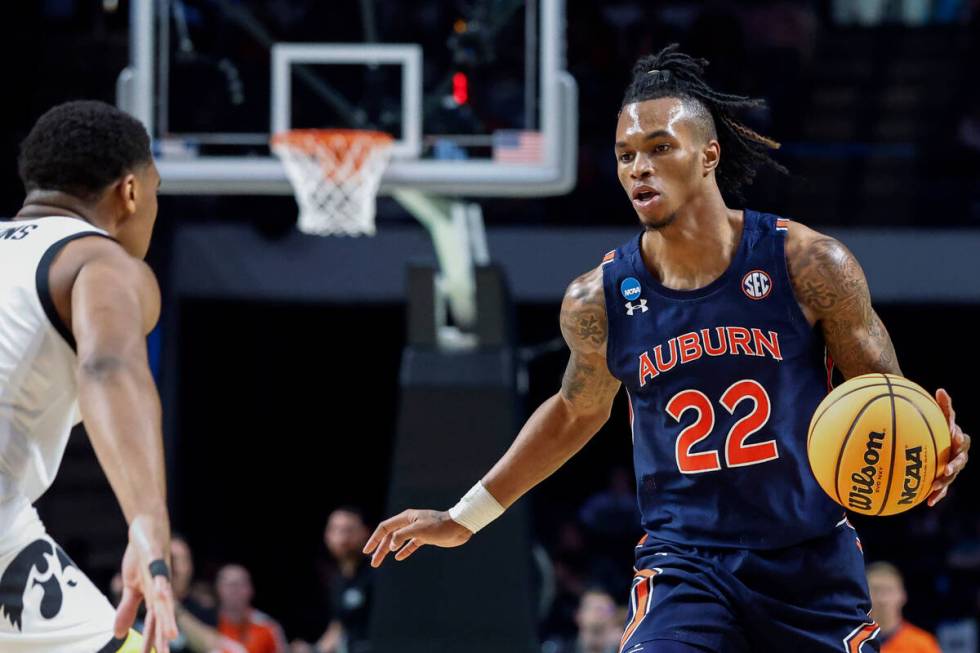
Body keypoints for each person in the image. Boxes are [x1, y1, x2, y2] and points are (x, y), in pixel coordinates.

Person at [363, 44, 971, 652]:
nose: (638, 169)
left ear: (709, 154)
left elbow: (888, 401)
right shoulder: (597, 299)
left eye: (659, 148)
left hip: (809, 563)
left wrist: (934, 447)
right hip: (687, 565)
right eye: (626, 155)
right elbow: (576, 411)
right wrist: (463, 518)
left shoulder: (809, 264)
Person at [0, 100, 177, 653]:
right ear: (130, 192)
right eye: (155, 193)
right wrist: (147, 521)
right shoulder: (98, 263)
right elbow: (109, 367)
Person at [292, 507, 373, 653]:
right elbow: (339, 626)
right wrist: (313, 649)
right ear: (327, 536)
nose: (343, 538)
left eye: (349, 530)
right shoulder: (337, 581)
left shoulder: (378, 573)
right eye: (336, 530)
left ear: (365, 533)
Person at [867, 562, 942, 653]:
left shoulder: (922, 644)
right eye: (875, 590)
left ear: (903, 595)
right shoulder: (850, 641)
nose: (883, 599)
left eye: (889, 590)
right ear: (863, 596)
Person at [216, 564, 286, 653]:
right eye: (229, 584)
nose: (234, 590)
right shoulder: (205, 623)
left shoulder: (267, 626)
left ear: (251, 589)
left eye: (240, 584)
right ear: (218, 589)